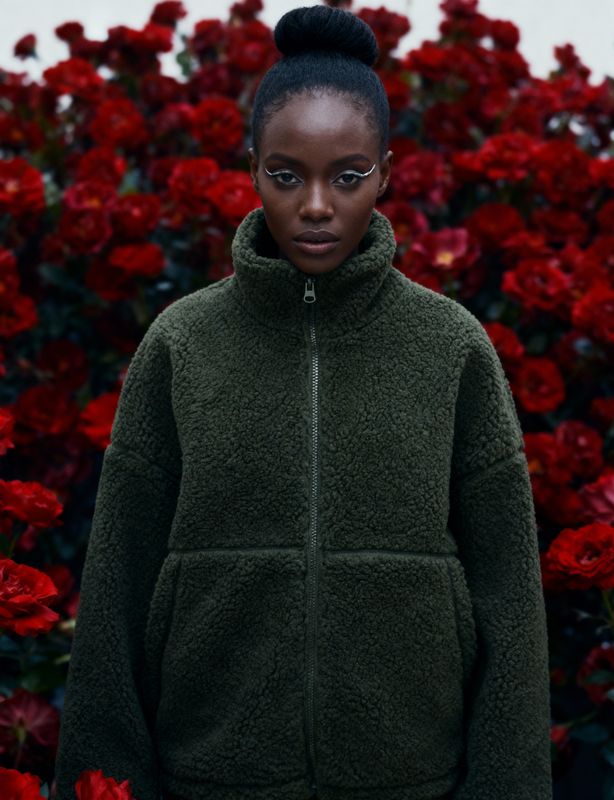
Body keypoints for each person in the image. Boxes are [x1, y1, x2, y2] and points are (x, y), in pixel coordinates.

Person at [53, 5, 552, 800]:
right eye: (287, 174)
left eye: (347, 176)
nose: (316, 204)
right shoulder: (183, 344)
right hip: (210, 775)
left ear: (386, 171)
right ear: (252, 167)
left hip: (411, 779)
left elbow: (510, 599)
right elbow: (117, 583)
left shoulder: (450, 347)